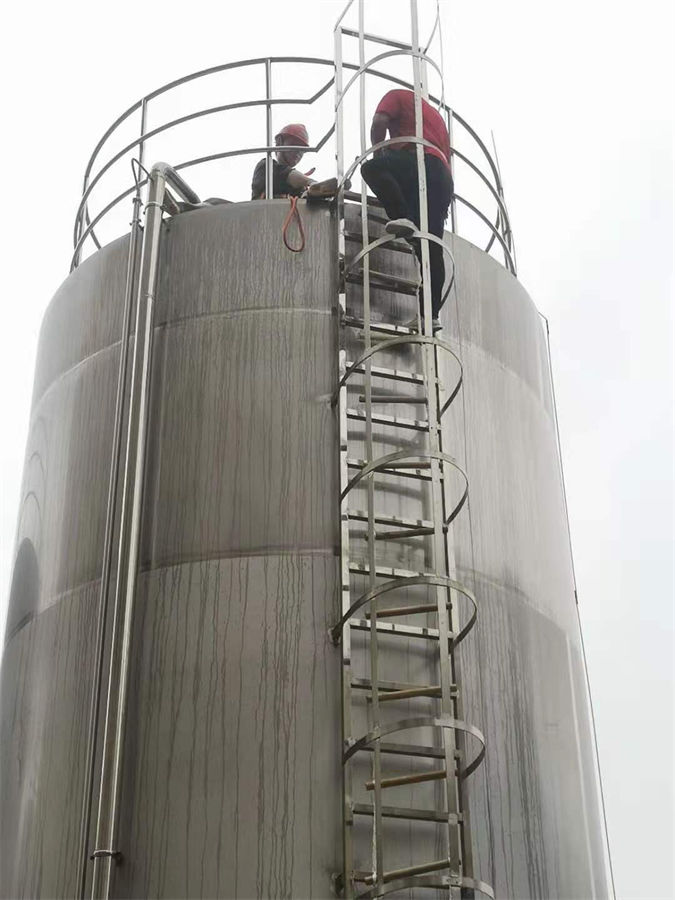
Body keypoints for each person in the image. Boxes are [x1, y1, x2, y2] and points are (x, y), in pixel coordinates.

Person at [361, 89, 454, 331]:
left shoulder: (397, 95)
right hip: (442, 177)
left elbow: (379, 122)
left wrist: (379, 152)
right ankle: (429, 315)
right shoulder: (436, 117)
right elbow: (447, 156)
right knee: (430, 248)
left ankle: (403, 217)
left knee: (371, 169)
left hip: (419, 161)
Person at [251, 123, 316, 199]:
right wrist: (311, 182)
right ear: (280, 142)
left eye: (302, 150)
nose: (299, 152)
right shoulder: (266, 167)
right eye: (294, 145)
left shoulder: (300, 186)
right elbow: (284, 173)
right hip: (265, 207)